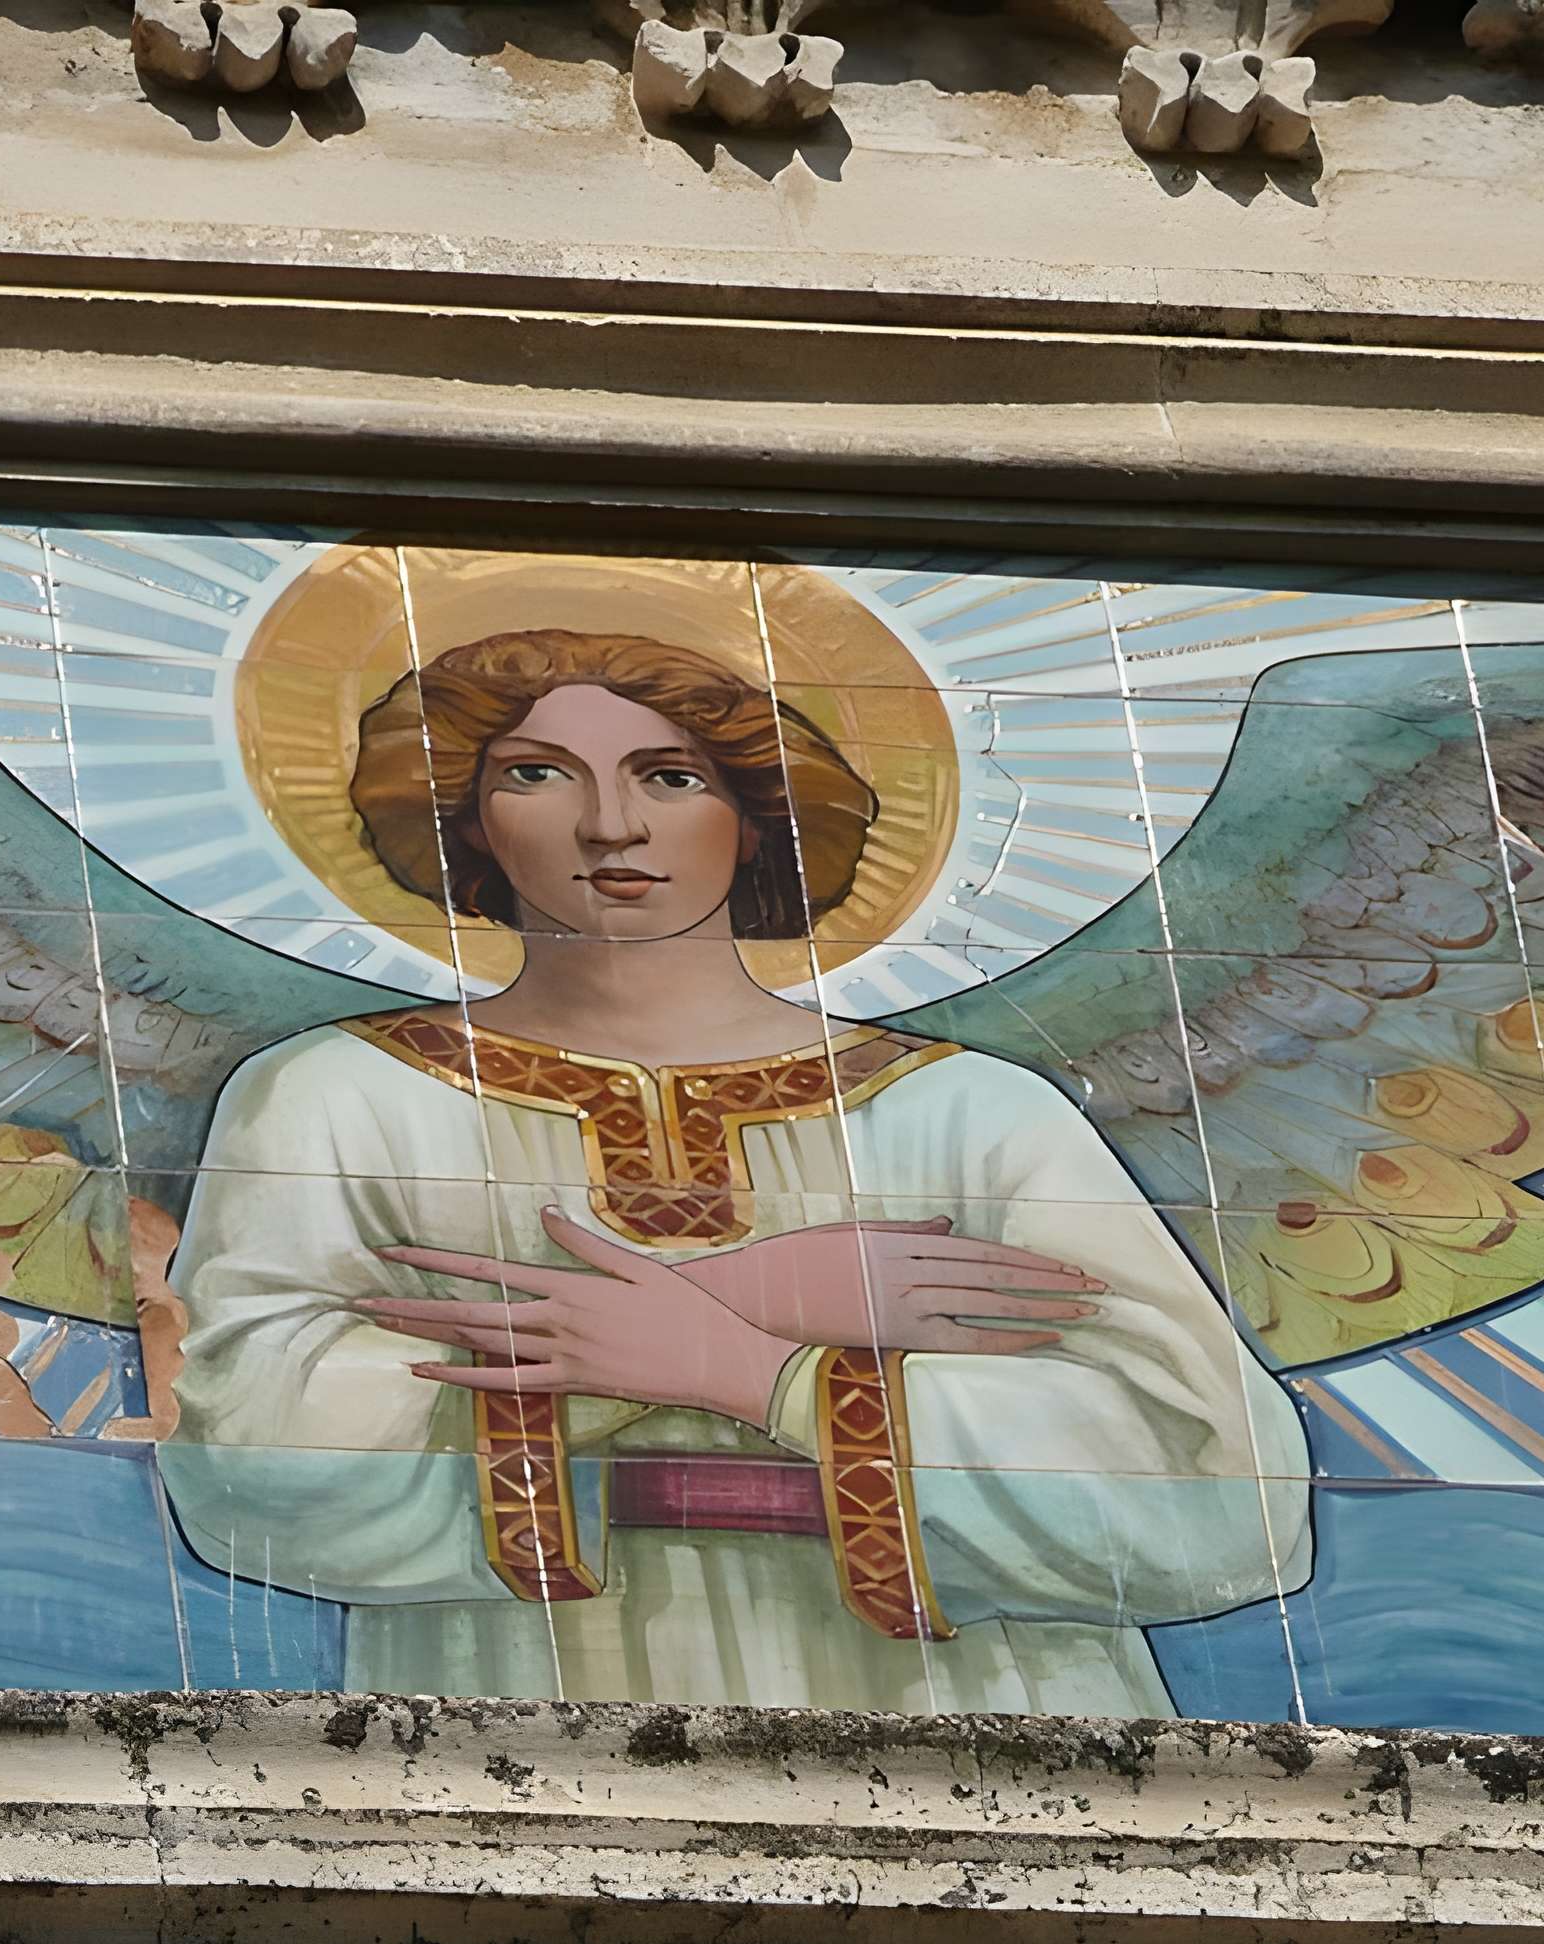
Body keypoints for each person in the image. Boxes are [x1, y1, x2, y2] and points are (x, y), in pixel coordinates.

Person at [153, 627, 1310, 1716]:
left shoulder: (971, 1113)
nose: (611, 826)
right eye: (537, 776)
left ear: (756, 819)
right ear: (466, 818)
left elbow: (1218, 1487)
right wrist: (744, 1297)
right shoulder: (338, 1096)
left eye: (671, 778)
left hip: (978, 1703)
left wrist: (764, 1376)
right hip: (529, 1699)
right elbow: (244, 1457)